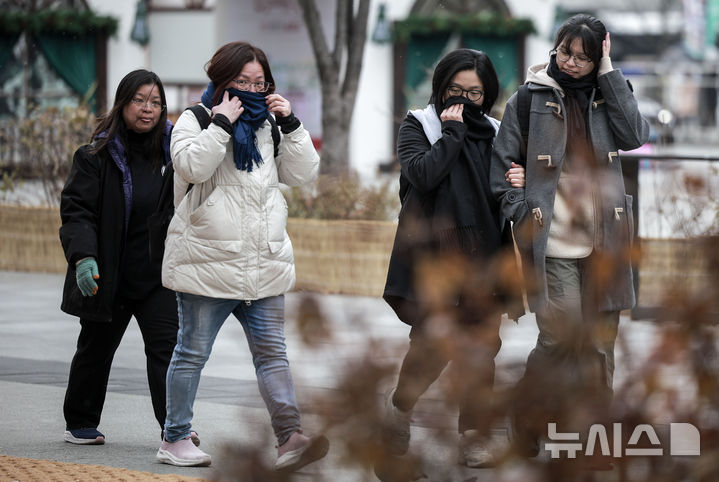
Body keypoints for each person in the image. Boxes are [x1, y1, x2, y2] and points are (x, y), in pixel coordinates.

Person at [156, 41, 328, 471]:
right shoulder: (193, 119)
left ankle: (290, 439)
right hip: (208, 260)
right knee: (191, 353)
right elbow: (191, 168)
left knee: (273, 355)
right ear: (222, 81)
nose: (252, 89)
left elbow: (303, 174)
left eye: (260, 82)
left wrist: (291, 122)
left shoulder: (270, 124)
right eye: (242, 82)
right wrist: (219, 124)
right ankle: (175, 438)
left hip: (263, 261)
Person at [490, 14, 649, 465]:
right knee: (560, 339)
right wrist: (520, 207)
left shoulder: (608, 93)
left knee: (599, 345)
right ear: (554, 48)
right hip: (554, 242)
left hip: (605, 245)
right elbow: (502, 164)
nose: (572, 63)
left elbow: (636, 136)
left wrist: (609, 73)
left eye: (584, 56)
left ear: (599, 55)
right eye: (566, 52)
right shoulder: (529, 98)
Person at [381, 48, 525, 468]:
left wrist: (519, 178)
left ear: (488, 95)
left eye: (474, 93)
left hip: (485, 256)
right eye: (455, 90)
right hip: (434, 260)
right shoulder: (419, 124)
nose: (463, 99)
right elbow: (423, 174)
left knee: (483, 349)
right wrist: (452, 133)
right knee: (431, 346)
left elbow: (506, 187)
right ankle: (400, 408)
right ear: (441, 88)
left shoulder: (499, 132)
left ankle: (473, 436)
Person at [59, 69, 192, 446]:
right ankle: (81, 420)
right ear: (122, 103)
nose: (148, 109)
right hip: (109, 274)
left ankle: (175, 427)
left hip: (157, 276)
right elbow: (77, 211)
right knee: (95, 349)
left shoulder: (177, 153)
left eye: (155, 102)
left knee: (167, 350)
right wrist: (84, 257)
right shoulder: (95, 156)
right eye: (139, 100)